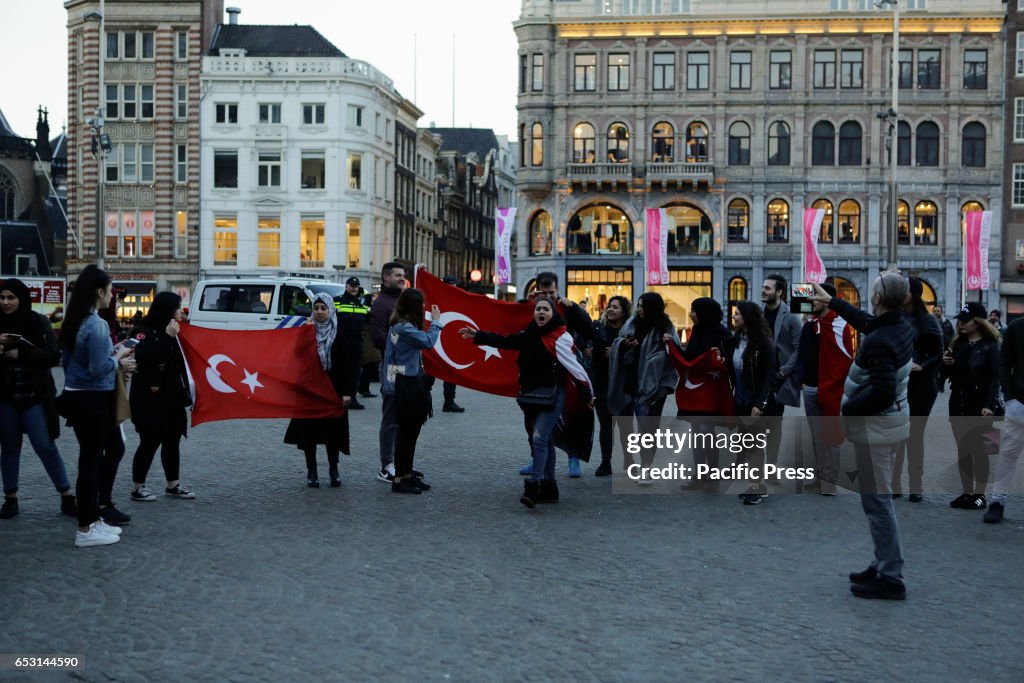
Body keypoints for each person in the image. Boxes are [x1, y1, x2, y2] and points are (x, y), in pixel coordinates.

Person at [813, 272, 914, 600]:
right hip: (888, 424)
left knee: (878, 502)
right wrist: (832, 302)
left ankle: (891, 575)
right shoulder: (896, 326)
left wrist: (849, 409)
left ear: (878, 297)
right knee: (877, 500)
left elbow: (883, 392)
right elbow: (866, 322)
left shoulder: (882, 340)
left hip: (876, 429)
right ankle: (883, 560)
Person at [461, 297, 593, 507]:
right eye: (538, 309)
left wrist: (587, 395)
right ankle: (550, 488)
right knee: (546, 440)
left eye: (545, 309)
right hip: (530, 396)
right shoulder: (529, 334)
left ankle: (534, 486)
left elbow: (576, 368)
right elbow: (505, 341)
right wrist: (478, 335)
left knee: (540, 438)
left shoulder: (561, 337)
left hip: (553, 396)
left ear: (553, 314)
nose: (541, 312)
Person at [60, 265, 136, 547]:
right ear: (99, 292)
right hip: (92, 399)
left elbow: (70, 364)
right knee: (91, 462)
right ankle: (86, 528)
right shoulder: (96, 325)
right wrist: (119, 360)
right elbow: (98, 367)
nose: (112, 294)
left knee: (94, 458)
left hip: (77, 396)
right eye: (111, 288)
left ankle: (92, 519)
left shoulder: (74, 320)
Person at [0, 278, 77, 519]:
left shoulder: (38, 321)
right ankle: (10, 498)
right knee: (10, 447)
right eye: (2, 297)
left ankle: (66, 495)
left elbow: (54, 357)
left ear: (21, 298)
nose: (5, 302)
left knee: (44, 445)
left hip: (35, 395)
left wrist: (20, 353)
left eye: (11, 297)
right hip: (6, 397)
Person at [518, 271, 594, 478]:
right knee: (532, 420)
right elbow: (514, 324)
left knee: (569, 416)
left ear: (557, 289)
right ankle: (537, 459)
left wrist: (575, 308)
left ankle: (573, 458)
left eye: (551, 292)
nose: (548, 297)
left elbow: (588, 327)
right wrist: (525, 304)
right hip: (535, 375)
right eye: (544, 293)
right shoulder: (533, 307)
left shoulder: (567, 308)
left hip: (563, 372)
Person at [127, 292, 195, 503]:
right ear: (166, 310)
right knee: (149, 440)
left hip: (172, 394)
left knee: (172, 439)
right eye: (176, 308)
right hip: (149, 395)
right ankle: (138, 487)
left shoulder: (175, 330)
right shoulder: (142, 330)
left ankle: (173, 484)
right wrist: (167, 337)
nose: (179, 312)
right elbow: (144, 355)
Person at [608, 292, 680, 481]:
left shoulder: (666, 327)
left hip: (656, 386)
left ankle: (647, 466)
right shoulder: (631, 324)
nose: (639, 309)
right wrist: (625, 344)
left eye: (642, 306)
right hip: (634, 382)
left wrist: (666, 347)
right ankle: (645, 465)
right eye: (638, 305)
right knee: (643, 425)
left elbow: (675, 354)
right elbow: (618, 343)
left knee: (651, 426)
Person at [284, 293, 353, 488]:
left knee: (333, 431)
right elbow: (296, 354)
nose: (320, 312)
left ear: (330, 309)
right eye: (316, 308)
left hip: (333, 387)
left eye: (324, 308)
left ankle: (333, 468)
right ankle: (311, 470)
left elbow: (348, 365)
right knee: (309, 432)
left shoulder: (339, 332)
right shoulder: (307, 331)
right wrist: (305, 332)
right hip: (310, 388)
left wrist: (347, 392)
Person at [665, 297, 732, 492]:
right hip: (696, 392)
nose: (691, 314)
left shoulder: (723, 334)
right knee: (698, 434)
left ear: (704, 313)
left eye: (694, 310)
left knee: (705, 432)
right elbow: (689, 359)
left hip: (711, 392)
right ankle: (700, 475)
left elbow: (729, 361)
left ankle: (711, 476)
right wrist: (673, 347)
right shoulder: (696, 332)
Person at [794, 283, 854, 496]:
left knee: (830, 434)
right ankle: (820, 476)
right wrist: (802, 381)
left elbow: (846, 359)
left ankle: (829, 480)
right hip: (809, 388)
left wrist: (832, 384)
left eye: (816, 297)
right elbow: (802, 354)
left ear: (828, 299)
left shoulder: (839, 324)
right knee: (817, 435)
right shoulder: (810, 324)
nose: (811, 301)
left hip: (830, 389)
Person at [942, 301, 1001, 511]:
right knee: (963, 450)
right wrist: (946, 364)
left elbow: (996, 378)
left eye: (966, 321)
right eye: (960, 320)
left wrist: (990, 405)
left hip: (981, 406)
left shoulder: (990, 345)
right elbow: (950, 375)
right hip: (958, 403)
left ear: (978, 322)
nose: (961, 324)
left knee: (980, 451)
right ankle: (966, 493)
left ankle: (980, 495)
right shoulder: (958, 343)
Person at [382, 289, 440, 494]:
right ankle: (400, 479)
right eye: (421, 304)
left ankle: (406, 474)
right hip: (407, 384)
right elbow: (428, 342)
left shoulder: (400, 326)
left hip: (407, 381)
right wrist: (436, 322)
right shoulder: (404, 328)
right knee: (407, 432)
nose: (424, 307)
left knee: (411, 432)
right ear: (414, 307)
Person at [891, 278, 944, 502]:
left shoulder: (929, 322)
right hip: (898, 384)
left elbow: (939, 353)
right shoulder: (895, 318)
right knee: (896, 436)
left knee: (915, 435)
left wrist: (922, 365)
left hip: (922, 385)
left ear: (912, 293)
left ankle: (916, 485)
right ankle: (894, 484)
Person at [723, 301, 777, 504]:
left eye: (737, 314)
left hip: (756, 402)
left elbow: (770, 374)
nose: (734, 317)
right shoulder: (734, 340)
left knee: (754, 444)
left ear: (747, 317)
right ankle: (757, 483)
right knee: (748, 442)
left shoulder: (764, 342)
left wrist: (760, 403)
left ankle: (756, 487)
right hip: (741, 399)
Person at [761, 275, 802, 474]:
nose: (763, 291)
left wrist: (783, 372)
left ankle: (770, 466)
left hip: (778, 378)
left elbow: (798, 348)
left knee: (774, 425)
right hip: (760, 377)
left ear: (779, 292)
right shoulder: (760, 315)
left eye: (768, 288)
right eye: (763, 287)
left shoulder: (792, 316)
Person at [370, 262, 406, 483]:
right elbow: (377, 337)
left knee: (404, 417)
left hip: (406, 365)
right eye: (397, 275)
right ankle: (386, 465)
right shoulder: (381, 305)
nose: (402, 278)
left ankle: (400, 462)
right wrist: (401, 348)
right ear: (385, 278)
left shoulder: (401, 301)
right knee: (391, 416)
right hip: (392, 366)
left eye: (403, 275)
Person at [986, 312, 1024, 523]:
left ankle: (997, 502)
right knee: (1008, 454)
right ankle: (997, 501)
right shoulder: (1017, 328)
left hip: (1016, 399)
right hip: (1018, 402)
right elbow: (1004, 362)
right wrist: (1009, 398)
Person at [589, 295, 632, 476]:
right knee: (606, 425)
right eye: (609, 306)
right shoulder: (600, 330)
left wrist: (613, 352)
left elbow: (632, 358)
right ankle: (605, 462)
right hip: (603, 383)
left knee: (625, 425)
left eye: (615, 307)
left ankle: (629, 461)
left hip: (624, 385)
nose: (611, 309)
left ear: (624, 312)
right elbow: (595, 353)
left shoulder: (629, 333)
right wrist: (606, 352)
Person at [335, 277, 370, 411]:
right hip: (341, 340)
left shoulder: (361, 303)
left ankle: (352, 398)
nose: (354, 288)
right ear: (346, 286)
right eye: (352, 285)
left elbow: (369, 316)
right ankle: (340, 397)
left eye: (356, 286)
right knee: (342, 370)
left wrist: (364, 296)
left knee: (355, 371)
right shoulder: (337, 301)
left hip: (357, 340)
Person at [933, 304, 954, 393]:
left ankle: (941, 385)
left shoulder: (947, 322)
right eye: (935, 311)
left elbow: (952, 334)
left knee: (943, 370)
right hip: (934, 349)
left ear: (941, 312)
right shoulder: (931, 322)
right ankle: (937, 385)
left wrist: (950, 346)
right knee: (935, 368)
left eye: (938, 311)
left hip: (945, 349)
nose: (936, 312)